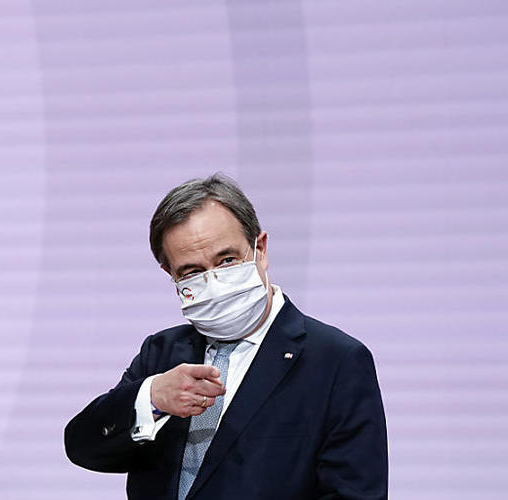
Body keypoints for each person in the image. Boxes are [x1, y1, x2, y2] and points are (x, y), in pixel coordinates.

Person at [64, 174, 387, 499]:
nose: (215, 282)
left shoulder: (336, 361)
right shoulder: (162, 353)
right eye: (192, 271)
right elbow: (83, 446)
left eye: (227, 260)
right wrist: (151, 399)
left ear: (260, 249)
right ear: (171, 275)